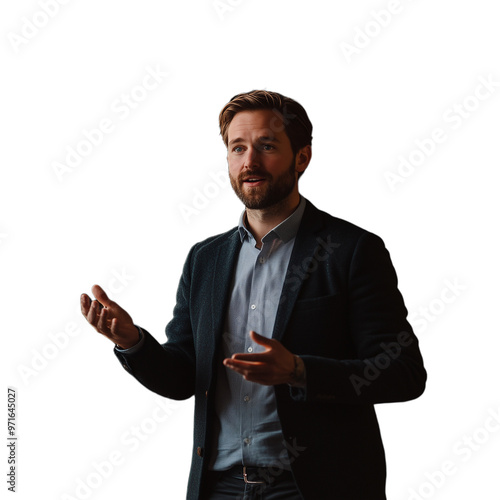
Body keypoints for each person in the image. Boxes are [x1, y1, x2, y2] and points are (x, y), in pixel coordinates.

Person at [80, 90, 426, 499]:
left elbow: (404, 374)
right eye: (237, 147)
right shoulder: (205, 259)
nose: (250, 162)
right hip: (218, 486)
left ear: (302, 157)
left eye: (266, 146)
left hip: (315, 487)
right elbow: (183, 377)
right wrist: (132, 342)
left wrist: (298, 370)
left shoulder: (351, 251)